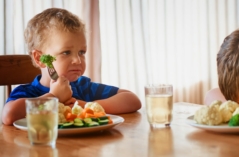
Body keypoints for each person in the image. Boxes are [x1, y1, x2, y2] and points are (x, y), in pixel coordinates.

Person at [2, 8, 141, 125]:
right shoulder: (29, 93)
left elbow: (132, 100)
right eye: (66, 52)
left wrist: (87, 106)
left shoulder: (83, 87)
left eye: (82, 52)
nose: (77, 60)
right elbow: (9, 115)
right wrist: (53, 96)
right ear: (40, 58)